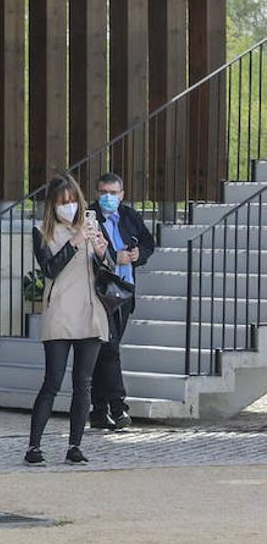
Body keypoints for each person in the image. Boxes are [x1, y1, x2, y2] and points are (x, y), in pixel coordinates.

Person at [27, 173, 112, 467]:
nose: (70, 206)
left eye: (74, 200)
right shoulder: (42, 232)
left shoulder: (91, 226)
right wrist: (75, 242)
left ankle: (75, 445)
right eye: (64, 202)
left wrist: (102, 251)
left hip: (90, 311)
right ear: (52, 205)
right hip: (61, 312)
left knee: (83, 383)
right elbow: (49, 269)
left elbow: (106, 269)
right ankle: (34, 446)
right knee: (52, 381)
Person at [89, 172, 153, 431]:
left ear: (122, 195)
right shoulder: (89, 217)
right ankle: (118, 406)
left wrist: (137, 255)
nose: (108, 197)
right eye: (104, 192)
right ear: (97, 193)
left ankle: (99, 411)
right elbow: (89, 252)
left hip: (124, 292)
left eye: (113, 193)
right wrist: (116, 257)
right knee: (110, 347)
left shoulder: (129, 216)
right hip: (100, 292)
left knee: (104, 351)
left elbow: (149, 243)